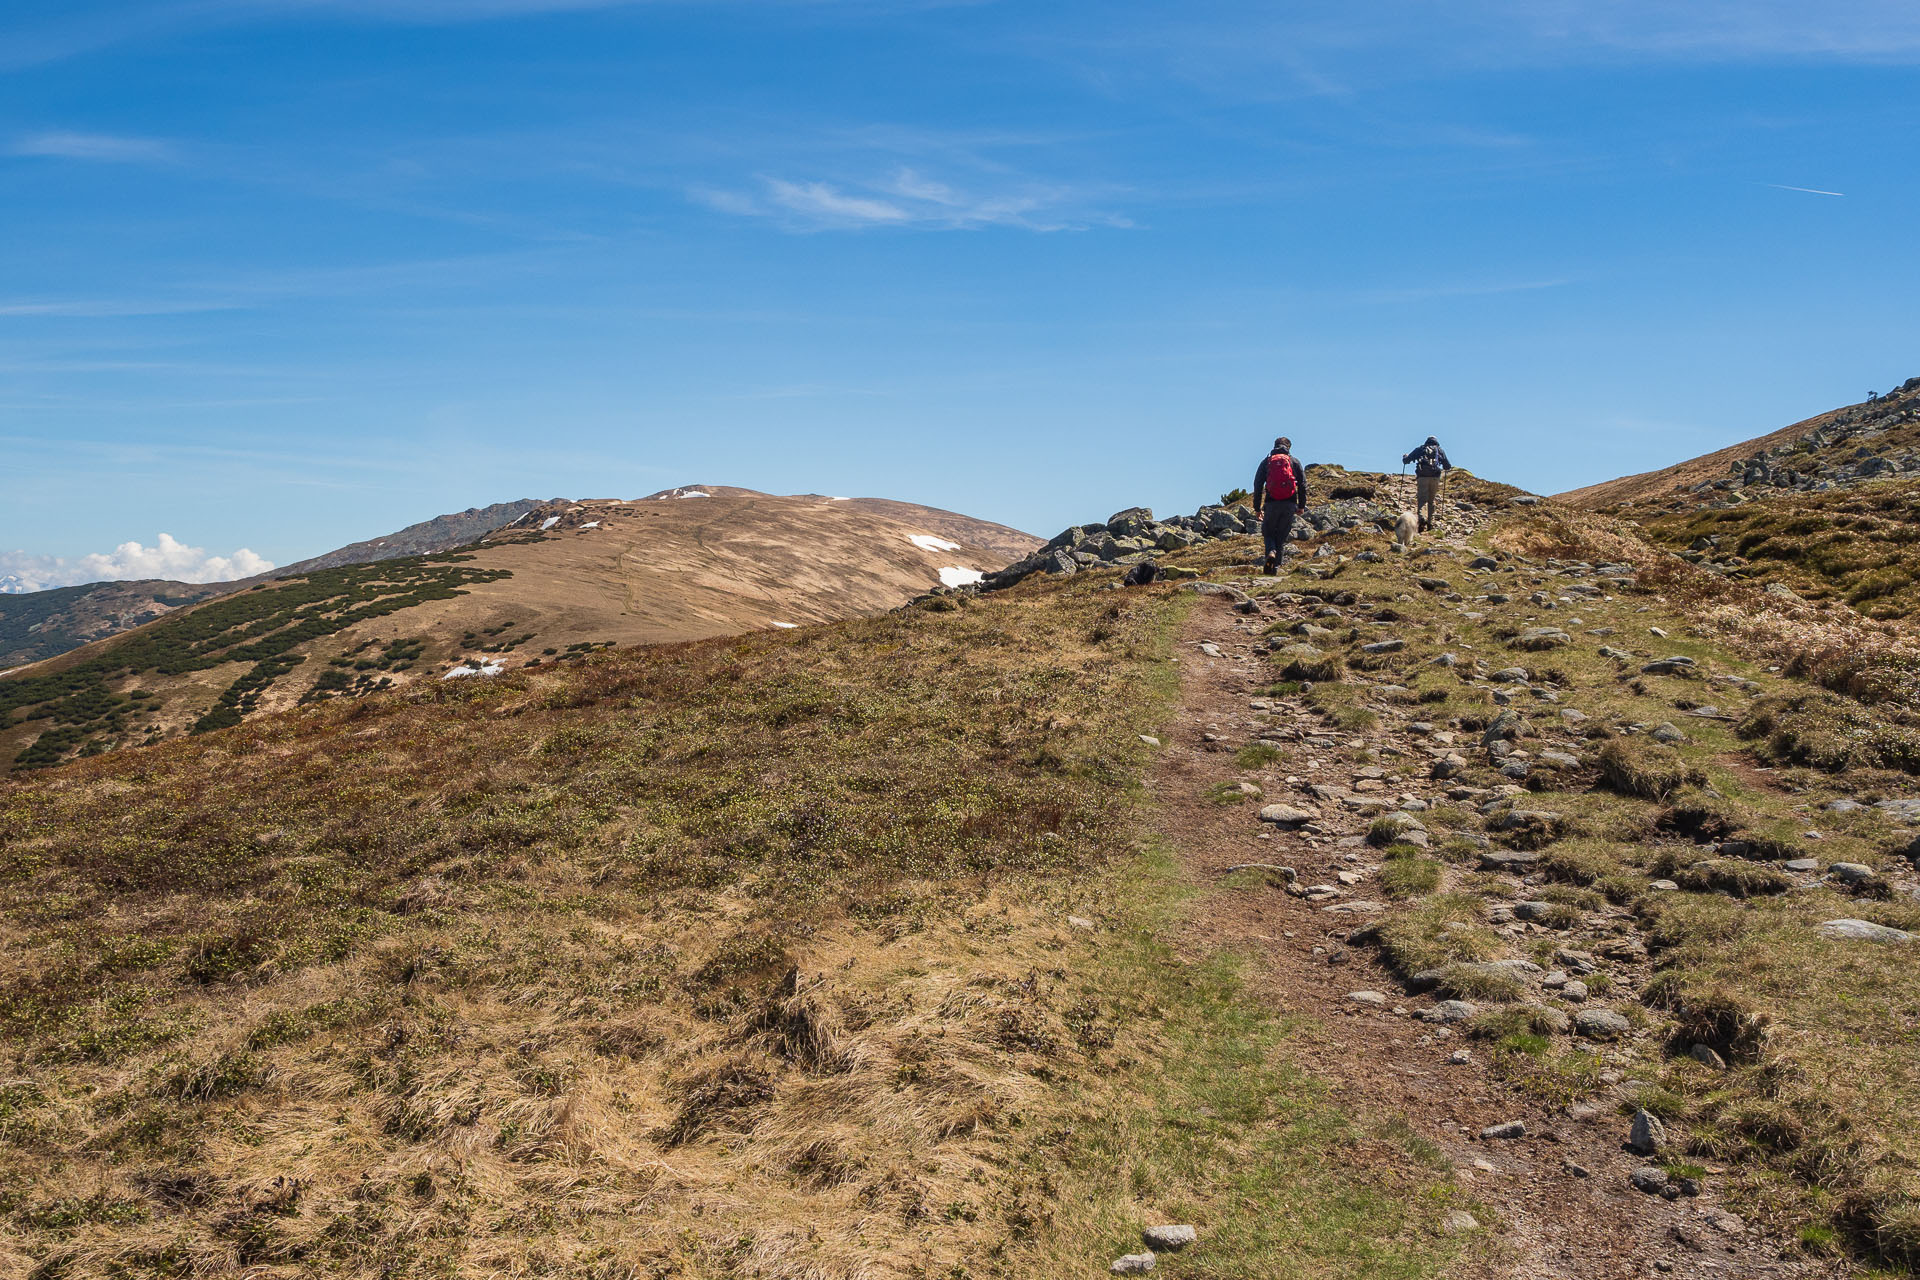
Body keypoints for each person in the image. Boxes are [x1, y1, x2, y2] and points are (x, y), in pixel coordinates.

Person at [1251, 436, 1307, 576]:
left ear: (1275, 445)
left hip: (1271, 503)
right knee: (1281, 536)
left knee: (1268, 532)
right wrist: (1301, 506)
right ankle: (1275, 569)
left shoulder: (1267, 462)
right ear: (1289, 447)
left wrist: (1257, 508)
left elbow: (1257, 485)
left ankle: (1271, 553)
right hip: (1289, 504)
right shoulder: (1294, 462)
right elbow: (1303, 485)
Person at [1402, 435, 1452, 532]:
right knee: (1431, 500)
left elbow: (1406, 461)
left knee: (1422, 499)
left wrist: (1405, 457)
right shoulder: (1439, 450)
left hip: (1422, 477)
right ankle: (1430, 523)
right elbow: (1447, 466)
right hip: (1435, 477)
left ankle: (1421, 519)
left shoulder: (1421, 449)